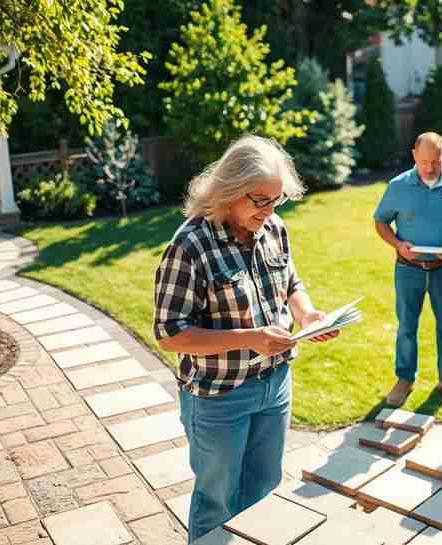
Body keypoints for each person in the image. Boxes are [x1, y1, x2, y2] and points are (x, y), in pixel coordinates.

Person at [153, 135, 338, 543]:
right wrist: (250, 338)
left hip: (275, 385)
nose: (270, 211)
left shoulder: (273, 228)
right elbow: (170, 334)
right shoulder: (190, 246)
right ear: (229, 191)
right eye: (261, 201)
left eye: (277, 201)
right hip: (219, 396)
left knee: (264, 492)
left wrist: (305, 312)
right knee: (217, 501)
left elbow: (290, 279)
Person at [374, 132, 442, 407]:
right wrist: (397, 244)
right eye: (424, 162)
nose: (431, 168)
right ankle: (404, 379)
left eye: (436, 161)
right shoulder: (398, 186)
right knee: (407, 326)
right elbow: (381, 222)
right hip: (408, 268)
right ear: (414, 156)